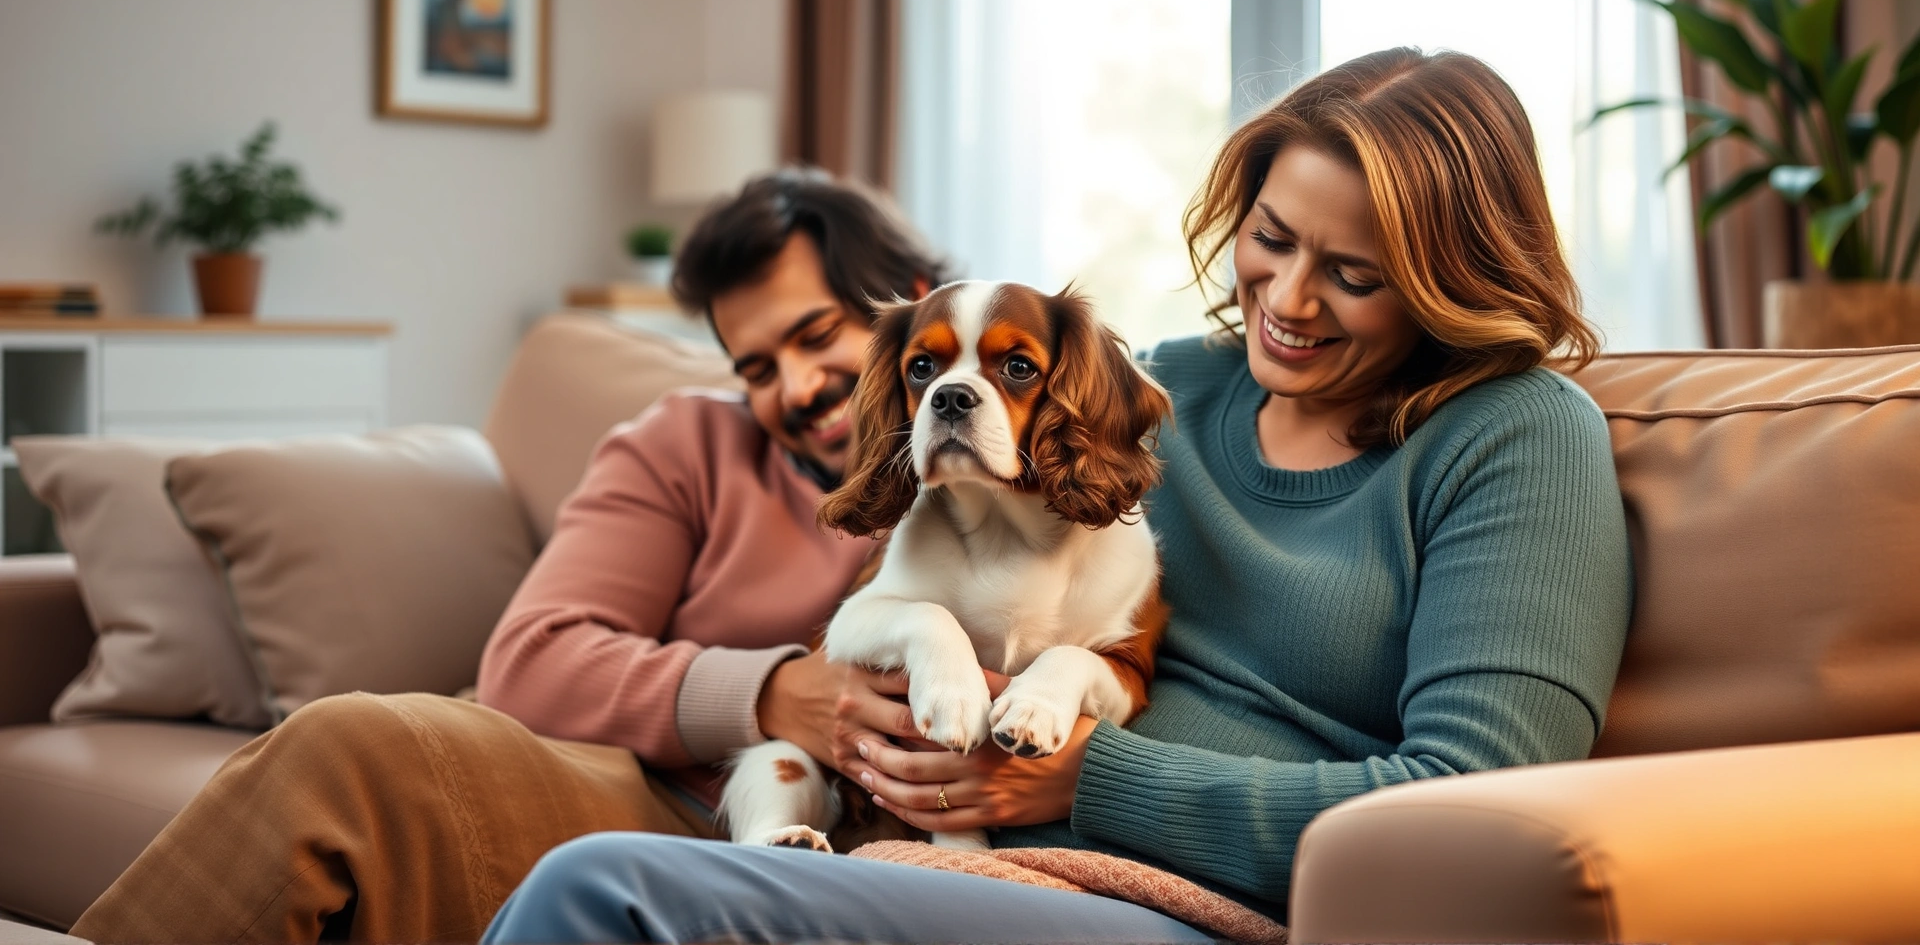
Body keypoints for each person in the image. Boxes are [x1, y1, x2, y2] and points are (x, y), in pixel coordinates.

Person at [478, 46, 1637, 945]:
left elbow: (1478, 813)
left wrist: (1091, 778)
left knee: (611, 892)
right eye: (1270, 238)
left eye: (1353, 275)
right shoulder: (1166, 391)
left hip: (1195, 900)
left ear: (1452, 278)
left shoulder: (1518, 436)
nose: (1286, 298)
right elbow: (939, 543)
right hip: (990, 850)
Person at [70, 168, 956, 944]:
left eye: (815, 336)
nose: (796, 390)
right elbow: (532, 660)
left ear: (913, 296)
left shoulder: (1022, 467)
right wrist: (767, 695)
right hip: (668, 803)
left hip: (888, 856)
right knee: (346, 750)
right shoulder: (688, 443)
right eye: (757, 368)